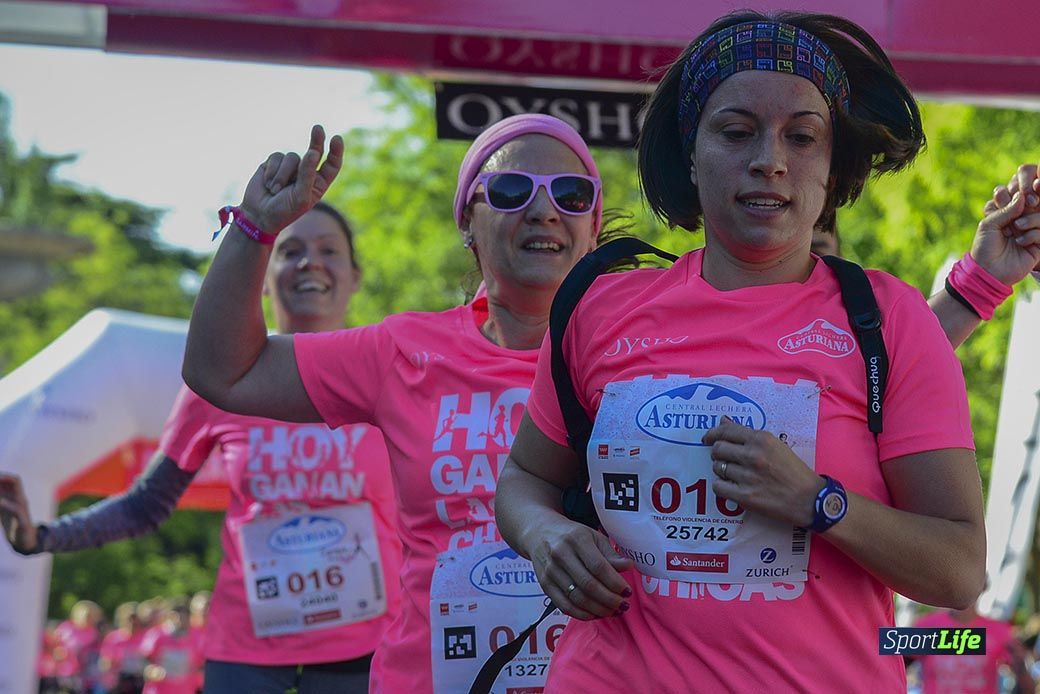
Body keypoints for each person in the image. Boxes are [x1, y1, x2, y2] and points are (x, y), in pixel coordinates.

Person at [494, 10, 1040, 692]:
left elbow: (958, 570)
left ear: (832, 163)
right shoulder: (601, 308)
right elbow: (523, 479)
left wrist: (818, 500)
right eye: (736, 130)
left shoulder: (892, 320)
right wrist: (544, 536)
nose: (770, 160)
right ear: (691, 153)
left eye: (802, 136)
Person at [179, 114, 605, 693]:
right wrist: (254, 229)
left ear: (594, 226)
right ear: (467, 222)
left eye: (571, 194)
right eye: (511, 190)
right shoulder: (403, 350)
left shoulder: (640, 356)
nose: (544, 210)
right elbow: (223, 371)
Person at [0, 203, 400, 693]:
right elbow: (147, 504)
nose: (309, 263)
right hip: (246, 653)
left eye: (327, 251)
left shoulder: (389, 371)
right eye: (289, 251)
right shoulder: (222, 380)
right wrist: (40, 538)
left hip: (369, 647)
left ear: (355, 276)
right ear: (264, 273)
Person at [911, 603, 1035, 694]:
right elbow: (896, 666)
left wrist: (1021, 665)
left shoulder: (998, 631)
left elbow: (1028, 688)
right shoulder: (926, 626)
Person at [98, 601, 148, 693]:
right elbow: (105, 662)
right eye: (129, 619)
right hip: (120, 682)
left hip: (141, 681)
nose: (132, 622)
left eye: (135, 619)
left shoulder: (147, 637)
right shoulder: (114, 638)